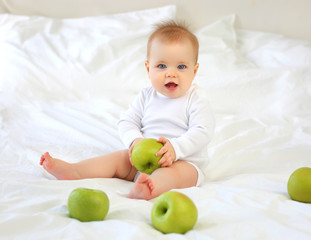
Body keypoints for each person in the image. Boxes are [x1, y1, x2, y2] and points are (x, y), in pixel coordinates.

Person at [40, 20, 215, 200]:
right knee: (118, 159)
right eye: (162, 66)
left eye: (181, 66)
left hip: (183, 163)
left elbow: (202, 131)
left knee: (173, 175)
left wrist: (175, 149)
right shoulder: (147, 96)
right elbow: (127, 121)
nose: (171, 73)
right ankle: (75, 170)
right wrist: (135, 141)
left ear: (194, 71)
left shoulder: (196, 99)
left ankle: (148, 189)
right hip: (143, 160)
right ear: (148, 69)